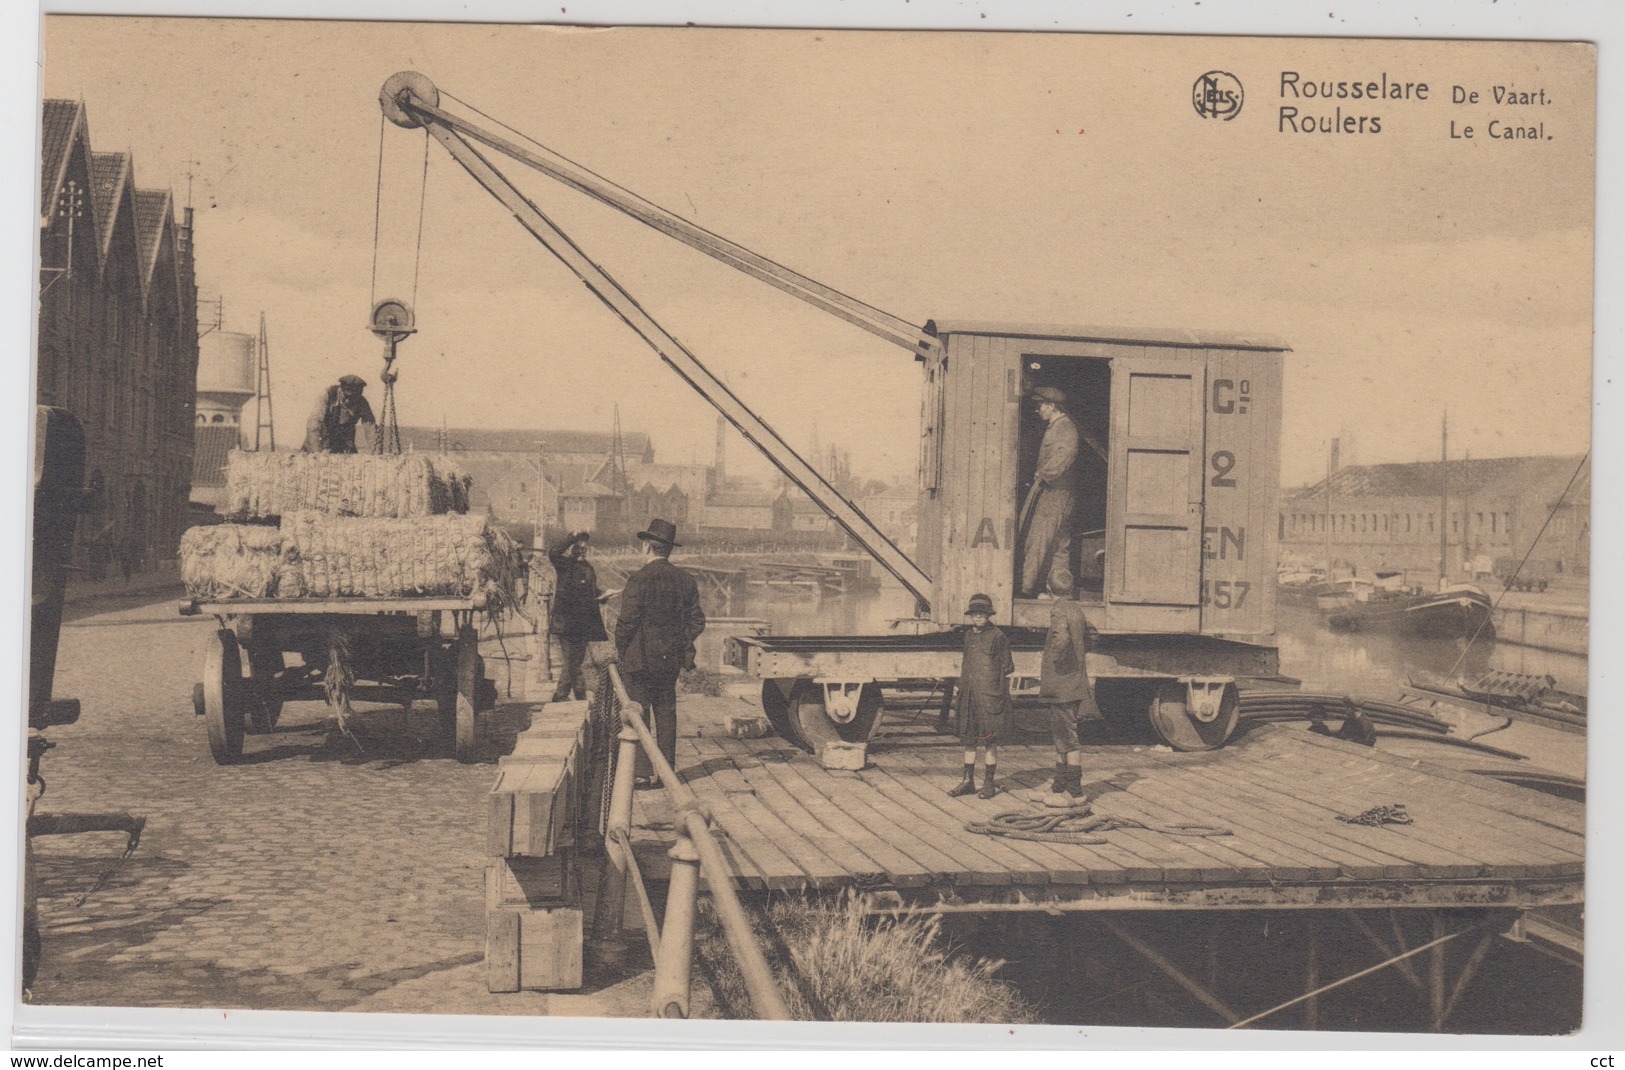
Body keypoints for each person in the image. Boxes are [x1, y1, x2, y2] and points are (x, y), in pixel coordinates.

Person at [614, 518, 706, 785]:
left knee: (638, 715)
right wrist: (679, 643)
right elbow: (697, 620)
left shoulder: (638, 579)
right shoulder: (685, 580)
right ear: (668, 550)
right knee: (666, 713)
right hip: (670, 661)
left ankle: (641, 773)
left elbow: (626, 622)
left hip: (640, 660)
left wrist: (623, 650)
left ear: (646, 548)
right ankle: (667, 773)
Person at [949, 592, 1013, 800]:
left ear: (989, 615)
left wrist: (996, 692)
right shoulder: (967, 636)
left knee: (989, 741)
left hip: (989, 698)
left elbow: (1007, 667)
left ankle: (988, 783)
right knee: (969, 739)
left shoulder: (998, 637)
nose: (977, 617)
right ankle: (968, 781)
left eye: (982, 614)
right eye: (974, 614)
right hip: (969, 695)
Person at [1018, 386, 1080, 598]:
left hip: (1055, 494)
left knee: (1038, 541)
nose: (1039, 410)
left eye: (1041, 405)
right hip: (1058, 493)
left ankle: (1026, 589)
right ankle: (1058, 591)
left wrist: (1043, 475)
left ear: (1052, 406)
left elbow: (1066, 456)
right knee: (1057, 546)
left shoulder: (1065, 428)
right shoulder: (1056, 427)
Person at [1037, 598, 1101, 801]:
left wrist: (1056, 659)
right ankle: (1059, 787)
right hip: (1072, 684)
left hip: (1062, 685)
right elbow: (1093, 634)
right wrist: (1079, 653)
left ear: (1049, 589)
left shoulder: (1058, 609)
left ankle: (1074, 792)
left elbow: (1062, 639)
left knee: (1069, 740)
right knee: (1061, 739)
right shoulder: (1076, 608)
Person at [547, 530, 611, 702]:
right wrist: (570, 538)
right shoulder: (564, 564)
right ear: (573, 547)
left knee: (575, 661)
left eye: (585, 547)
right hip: (566, 622)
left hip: (583, 623)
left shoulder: (588, 568)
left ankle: (566, 695)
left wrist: (602, 596)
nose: (583, 550)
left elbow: (591, 590)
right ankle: (573, 695)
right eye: (579, 546)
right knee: (571, 661)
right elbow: (553, 552)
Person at [303, 374, 376, 454]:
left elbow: (370, 428)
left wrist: (377, 453)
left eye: (352, 398)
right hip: (321, 440)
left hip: (344, 442)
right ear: (341, 389)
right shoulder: (328, 394)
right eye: (346, 396)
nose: (348, 401)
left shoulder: (362, 402)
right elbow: (314, 424)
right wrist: (316, 452)